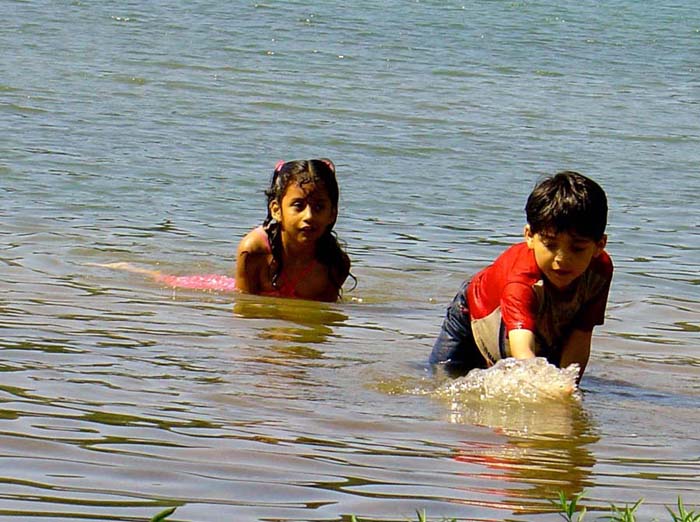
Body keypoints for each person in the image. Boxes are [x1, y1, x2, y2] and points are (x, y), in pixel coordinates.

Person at [429, 171, 612, 382]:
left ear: (599, 245)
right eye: (550, 245)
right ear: (529, 237)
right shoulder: (521, 279)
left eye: (578, 248)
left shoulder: (600, 271)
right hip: (473, 314)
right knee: (441, 379)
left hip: (541, 320)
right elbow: (522, 350)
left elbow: (581, 334)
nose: (562, 259)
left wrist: (569, 386)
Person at [97, 159, 352, 302]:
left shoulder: (335, 264)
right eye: (298, 206)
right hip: (223, 288)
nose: (309, 216)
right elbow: (246, 307)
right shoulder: (253, 250)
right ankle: (129, 267)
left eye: (319, 207)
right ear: (276, 210)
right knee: (166, 281)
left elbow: (323, 315)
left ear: (333, 213)